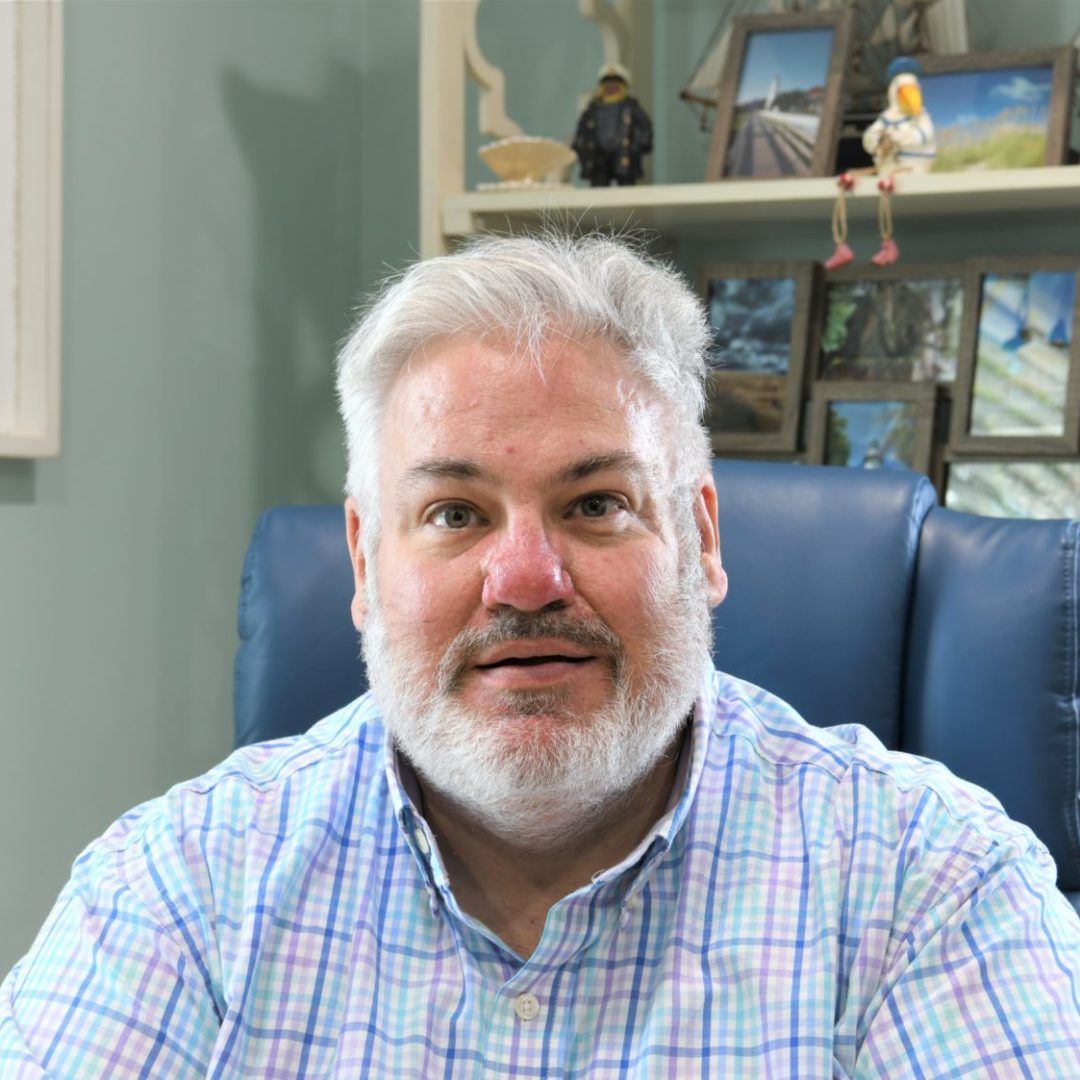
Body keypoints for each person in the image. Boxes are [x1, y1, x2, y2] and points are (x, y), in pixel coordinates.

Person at [2, 233, 1079, 1077]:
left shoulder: (928, 884)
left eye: (598, 503)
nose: (524, 578)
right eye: (455, 513)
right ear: (365, 564)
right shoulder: (181, 888)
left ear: (701, 539)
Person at [572, 63, 652, 186]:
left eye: (615, 87)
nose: (611, 90)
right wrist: (582, 148)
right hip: (598, 159)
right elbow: (582, 133)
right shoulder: (593, 110)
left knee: (627, 191)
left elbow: (644, 130)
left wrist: (635, 148)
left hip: (623, 156)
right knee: (598, 190)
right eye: (607, 86)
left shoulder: (631, 108)